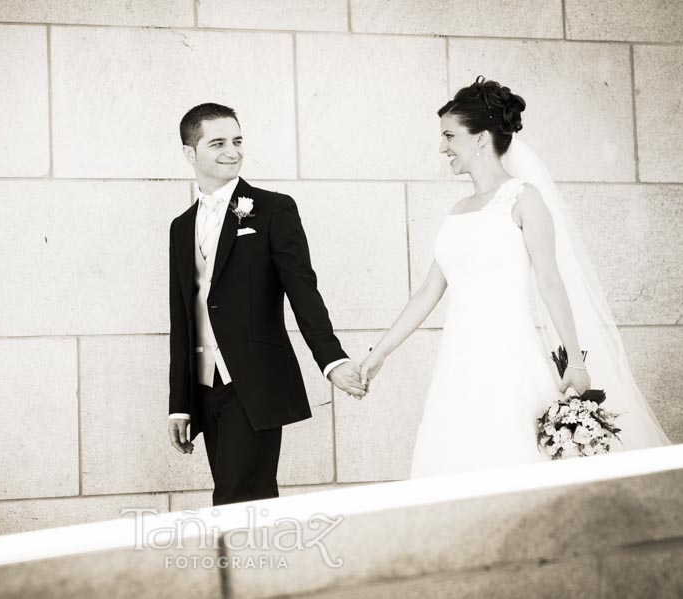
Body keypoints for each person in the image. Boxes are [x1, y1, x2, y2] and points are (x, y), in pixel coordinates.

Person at [360, 77, 670, 477]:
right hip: (457, 364)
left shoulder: (524, 198)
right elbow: (426, 292)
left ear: (481, 138)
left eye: (449, 136)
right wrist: (378, 354)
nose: (442, 147)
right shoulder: (458, 210)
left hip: (507, 357)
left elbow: (551, 282)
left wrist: (575, 360)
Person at [167, 103, 366, 504]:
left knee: (240, 496)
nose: (233, 151)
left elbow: (302, 289)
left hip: (253, 382)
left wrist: (331, 359)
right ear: (191, 153)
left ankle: (242, 567)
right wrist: (180, 404)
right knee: (237, 497)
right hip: (207, 387)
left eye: (238, 141)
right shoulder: (181, 226)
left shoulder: (274, 208)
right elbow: (183, 317)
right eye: (218, 142)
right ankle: (252, 566)